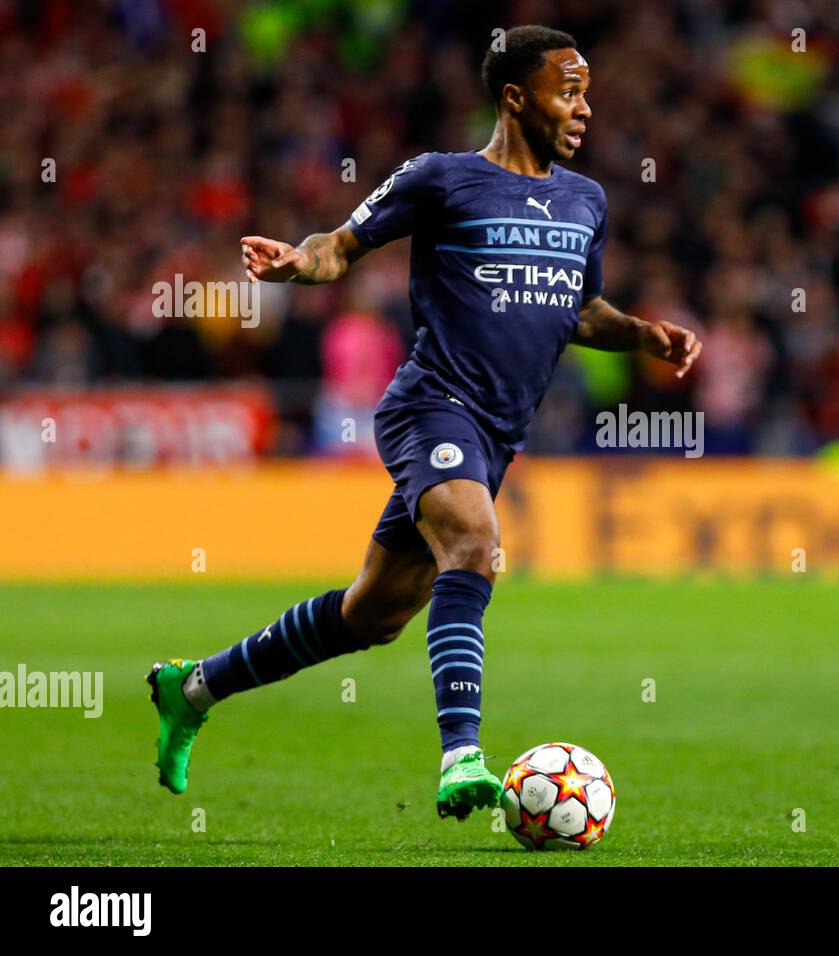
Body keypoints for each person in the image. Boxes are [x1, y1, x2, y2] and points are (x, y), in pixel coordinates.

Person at [148, 25, 702, 821]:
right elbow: (339, 244)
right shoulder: (442, 179)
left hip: (497, 436)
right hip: (430, 407)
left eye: (587, 91)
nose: (585, 108)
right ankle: (462, 756)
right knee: (475, 546)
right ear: (515, 97)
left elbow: (576, 308)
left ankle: (193, 687)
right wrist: (298, 265)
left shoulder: (587, 200)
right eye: (568, 90)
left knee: (371, 615)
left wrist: (641, 332)